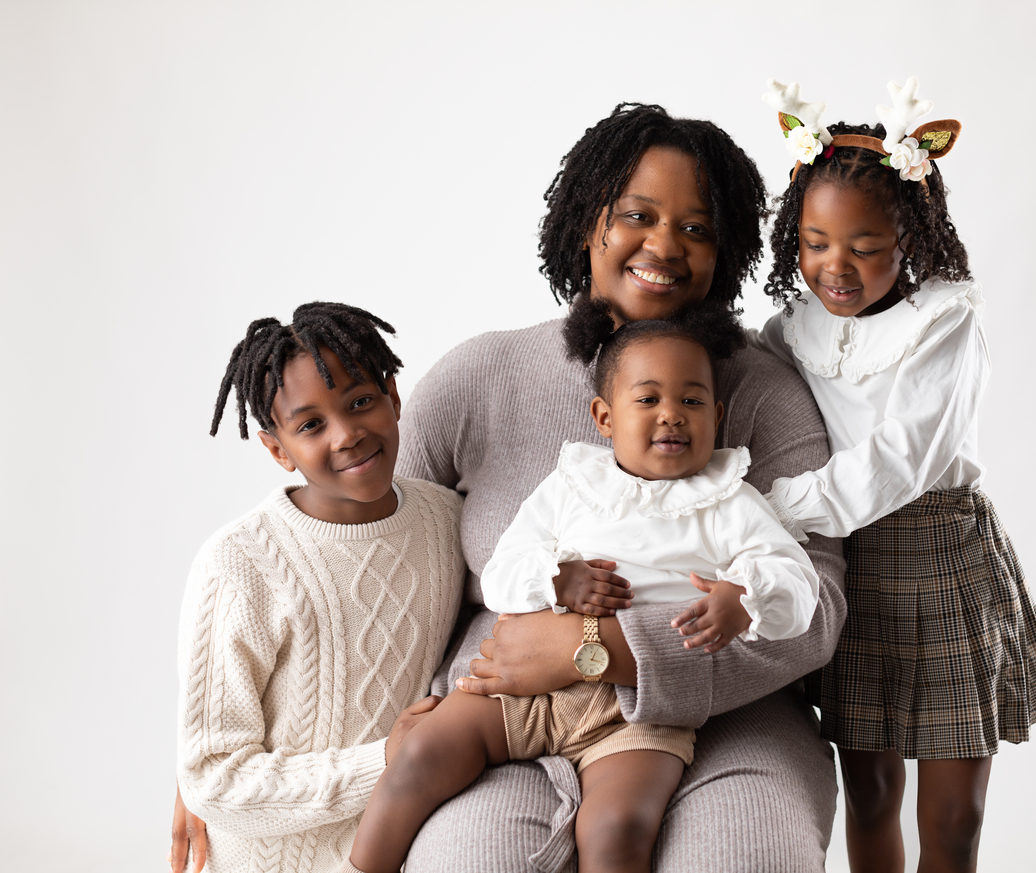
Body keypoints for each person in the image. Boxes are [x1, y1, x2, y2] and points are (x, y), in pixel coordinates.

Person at [174, 103, 848, 873]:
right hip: (502, 708)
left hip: (732, 717)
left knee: (746, 858)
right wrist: (221, 764)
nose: (664, 245)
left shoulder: (765, 396)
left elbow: (816, 609)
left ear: (723, 251)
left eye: (696, 228)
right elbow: (364, 552)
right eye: (637, 215)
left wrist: (598, 648)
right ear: (586, 223)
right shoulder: (481, 376)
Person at [341, 303, 822, 873]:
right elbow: (500, 574)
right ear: (604, 417)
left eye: (692, 402)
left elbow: (798, 580)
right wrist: (556, 578)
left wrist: (744, 599)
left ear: (716, 416)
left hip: (641, 709)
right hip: (521, 688)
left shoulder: (729, 501)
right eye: (648, 400)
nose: (672, 416)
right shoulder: (571, 487)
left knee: (617, 827)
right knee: (421, 753)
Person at [756, 79, 1036, 872]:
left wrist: (782, 505)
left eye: (864, 245)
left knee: (955, 814)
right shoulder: (791, 329)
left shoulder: (944, 319)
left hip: (939, 553)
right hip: (850, 564)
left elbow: (902, 456)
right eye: (815, 242)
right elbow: (762, 412)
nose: (836, 265)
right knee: (868, 790)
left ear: (910, 235)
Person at [174, 303, 466, 873]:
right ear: (277, 449)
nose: (347, 434)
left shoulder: (447, 521)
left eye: (360, 402)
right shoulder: (239, 563)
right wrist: (386, 760)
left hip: (401, 851)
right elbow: (211, 777)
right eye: (310, 425)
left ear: (393, 396)